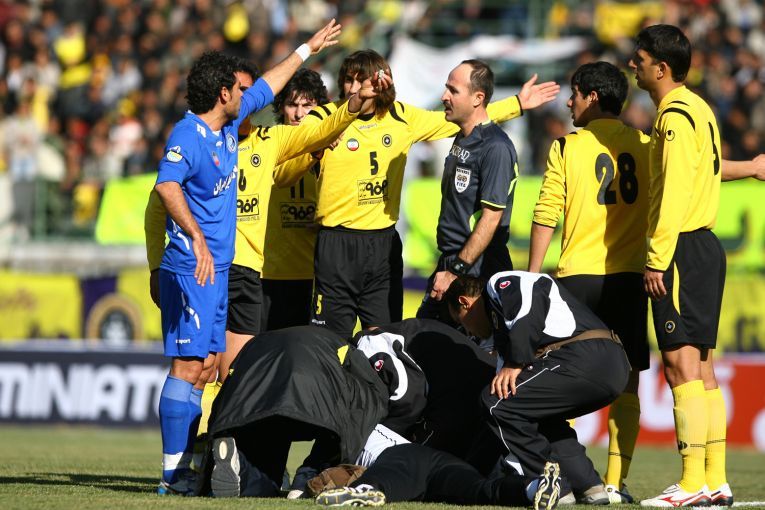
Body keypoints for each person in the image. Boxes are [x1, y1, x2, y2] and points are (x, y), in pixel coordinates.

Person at [152, 20, 343, 495]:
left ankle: (194, 464)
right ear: (223, 94)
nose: (248, 96)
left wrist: (307, 48)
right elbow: (166, 186)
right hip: (192, 267)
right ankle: (172, 475)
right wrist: (195, 237)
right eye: (239, 91)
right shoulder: (189, 134)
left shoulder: (230, 128)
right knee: (188, 365)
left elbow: (269, 85)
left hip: (219, 269)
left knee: (210, 366)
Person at [301, 49, 560, 338]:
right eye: (348, 80)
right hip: (338, 242)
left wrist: (516, 104)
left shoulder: (401, 116)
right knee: (332, 341)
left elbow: (467, 117)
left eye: (362, 81)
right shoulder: (324, 120)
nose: (354, 88)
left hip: (390, 246)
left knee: (388, 340)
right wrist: (322, 140)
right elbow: (289, 159)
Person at [528, 61, 650, 504]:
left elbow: (547, 211)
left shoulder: (567, 145)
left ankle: (566, 476)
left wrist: (532, 275)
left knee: (559, 375)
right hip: (629, 275)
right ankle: (616, 481)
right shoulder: (646, 145)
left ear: (592, 97)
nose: (569, 102)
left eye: (575, 94)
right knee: (629, 380)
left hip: (577, 278)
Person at [628, 24, 728, 507]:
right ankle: (715, 480)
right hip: (704, 245)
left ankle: (690, 484)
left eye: (640, 59)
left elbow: (673, 193)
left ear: (661, 68)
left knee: (679, 366)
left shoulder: (672, 116)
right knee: (703, 369)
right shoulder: (700, 109)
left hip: (681, 249)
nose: (634, 65)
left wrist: (657, 258)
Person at [444, 272, 630, 505]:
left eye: (462, 321)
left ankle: (554, 486)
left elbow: (532, 299)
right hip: (604, 364)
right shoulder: (502, 330)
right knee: (531, 412)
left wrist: (516, 362)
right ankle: (588, 485)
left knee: (495, 404)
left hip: (585, 357)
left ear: (465, 302)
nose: (469, 332)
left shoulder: (499, 283)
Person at [204, 325, 390, 498]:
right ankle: (306, 482)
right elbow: (363, 410)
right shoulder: (359, 360)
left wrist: (218, 433)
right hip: (309, 381)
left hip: (258, 372)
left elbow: (227, 393)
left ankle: (240, 466)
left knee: (263, 465)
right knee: (339, 425)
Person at [416, 59, 518, 324]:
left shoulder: (495, 147)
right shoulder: (462, 136)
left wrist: (456, 271)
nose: (444, 96)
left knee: (474, 346)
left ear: (477, 98)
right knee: (422, 337)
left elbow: (491, 219)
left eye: (453, 90)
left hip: (476, 269)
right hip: (453, 262)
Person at [260, 69, 330, 330]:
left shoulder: (332, 146)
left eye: (308, 105)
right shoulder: (267, 143)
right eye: (292, 105)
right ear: (281, 107)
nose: (300, 114)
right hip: (269, 273)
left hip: (315, 275)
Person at [315, 443, 562, 510]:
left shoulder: (351, 434)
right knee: (479, 490)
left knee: (383, 481)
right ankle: (533, 487)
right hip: (442, 460)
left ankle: (363, 490)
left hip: (399, 456)